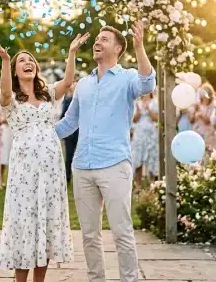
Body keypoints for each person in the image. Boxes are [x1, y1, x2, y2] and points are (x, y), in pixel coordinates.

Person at [56, 21, 154, 282]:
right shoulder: (84, 85)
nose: (97, 42)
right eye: (97, 38)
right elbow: (68, 122)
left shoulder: (127, 78)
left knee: (122, 232)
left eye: (104, 39)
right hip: (82, 167)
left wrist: (140, 46)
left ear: (118, 48)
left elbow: (147, 84)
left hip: (114, 164)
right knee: (89, 235)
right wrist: (38, 133)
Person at [0, 32, 88, 282]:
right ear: (15, 71)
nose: (28, 63)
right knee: (25, 222)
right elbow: (4, 92)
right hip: (24, 170)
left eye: (31, 60)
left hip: (51, 169)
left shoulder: (47, 95)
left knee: (45, 223)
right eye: (22, 60)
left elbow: (68, 81)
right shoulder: (11, 98)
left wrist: (71, 53)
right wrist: (5, 60)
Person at [131, 92, 159, 189]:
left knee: (151, 158)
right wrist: (138, 112)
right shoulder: (137, 102)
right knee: (138, 158)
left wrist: (148, 109)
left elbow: (157, 119)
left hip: (151, 134)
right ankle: (138, 186)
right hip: (139, 134)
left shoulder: (155, 102)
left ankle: (151, 186)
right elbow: (133, 120)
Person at [189, 83, 216, 149]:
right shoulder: (197, 105)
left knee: (207, 152)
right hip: (196, 132)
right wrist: (193, 113)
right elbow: (191, 121)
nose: (202, 93)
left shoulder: (212, 106)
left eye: (205, 91)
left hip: (208, 134)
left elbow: (207, 121)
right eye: (201, 91)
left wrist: (200, 113)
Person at [60, 81, 78, 184]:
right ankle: (67, 177)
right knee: (69, 156)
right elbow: (63, 116)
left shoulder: (83, 100)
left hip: (80, 133)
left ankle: (78, 178)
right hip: (69, 135)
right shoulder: (67, 101)